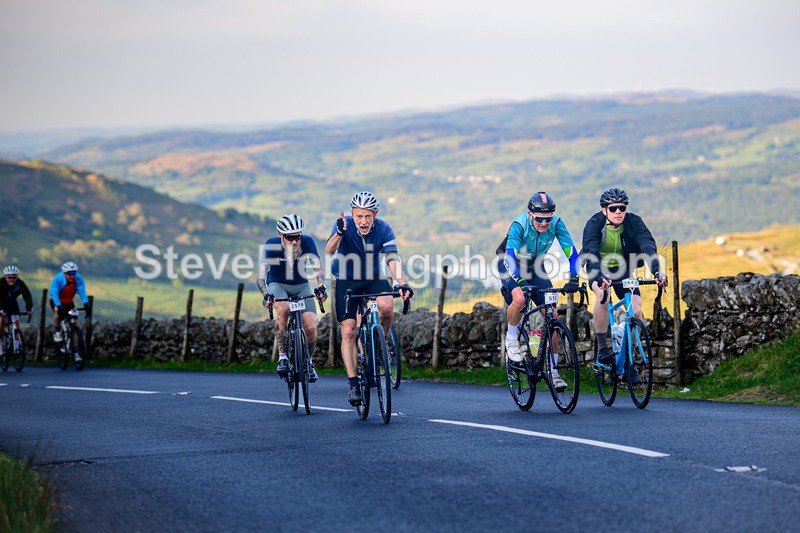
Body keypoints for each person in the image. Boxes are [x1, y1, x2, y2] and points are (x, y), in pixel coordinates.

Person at [325, 191, 413, 406]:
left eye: (367, 216)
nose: (363, 221)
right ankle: (354, 383)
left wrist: (401, 282)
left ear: (375, 214)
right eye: (358, 216)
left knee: (386, 307)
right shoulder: (343, 224)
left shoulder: (384, 228)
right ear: (352, 214)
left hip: (373, 277)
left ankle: (378, 343)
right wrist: (338, 233)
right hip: (346, 279)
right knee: (348, 330)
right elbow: (329, 250)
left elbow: (392, 258)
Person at [496, 192, 580, 391]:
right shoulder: (519, 224)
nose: (544, 223)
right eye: (540, 219)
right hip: (510, 264)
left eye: (548, 219)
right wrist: (519, 282)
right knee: (519, 298)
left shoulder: (557, 223)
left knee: (552, 314)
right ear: (530, 214)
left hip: (536, 267)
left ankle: (553, 371)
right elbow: (509, 256)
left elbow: (572, 252)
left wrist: (575, 278)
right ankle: (512, 342)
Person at [580, 187, 667, 370]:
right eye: (613, 208)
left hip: (623, 267)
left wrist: (657, 271)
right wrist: (600, 275)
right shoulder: (594, 223)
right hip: (598, 266)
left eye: (622, 208)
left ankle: (630, 356)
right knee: (602, 295)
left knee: (636, 311)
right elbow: (592, 252)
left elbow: (647, 246)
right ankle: (603, 348)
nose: (618, 212)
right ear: (604, 210)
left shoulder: (634, 222)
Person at [257, 214, 327, 381]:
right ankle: (283, 357)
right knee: (283, 308)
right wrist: (266, 294)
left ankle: (308, 362)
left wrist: (321, 287)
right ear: (281, 235)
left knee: (310, 325)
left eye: (297, 236)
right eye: (290, 237)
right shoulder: (271, 245)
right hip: (277, 284)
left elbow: (318, 270)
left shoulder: (307, 242)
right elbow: (261, 277)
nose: (295, 241)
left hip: (301, 285)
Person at [49, 261, 91, 360]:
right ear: (64, 273)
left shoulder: (78, 278)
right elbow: (54, 293)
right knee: (57, 313)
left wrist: (85, 303)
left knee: (75, 323)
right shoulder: (58, 279)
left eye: (74, 273)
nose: (72, 276)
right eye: (69, 274)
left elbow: (81, 290)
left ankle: (76, 352)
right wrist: (59, 307)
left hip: (69, 303)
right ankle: (57, 331)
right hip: (57, 301)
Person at [0, 266, 33, 355]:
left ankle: (16, 347)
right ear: (5, 277)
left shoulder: (20, 283)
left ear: (16, 277)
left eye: (13, 277)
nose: (11, 279)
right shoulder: (1, 283)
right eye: (9, 277)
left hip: (12, 304)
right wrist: (2, 310)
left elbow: (27, 295)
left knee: (17, 323)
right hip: (1, 303)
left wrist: (29, 307)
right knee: (1, 320)